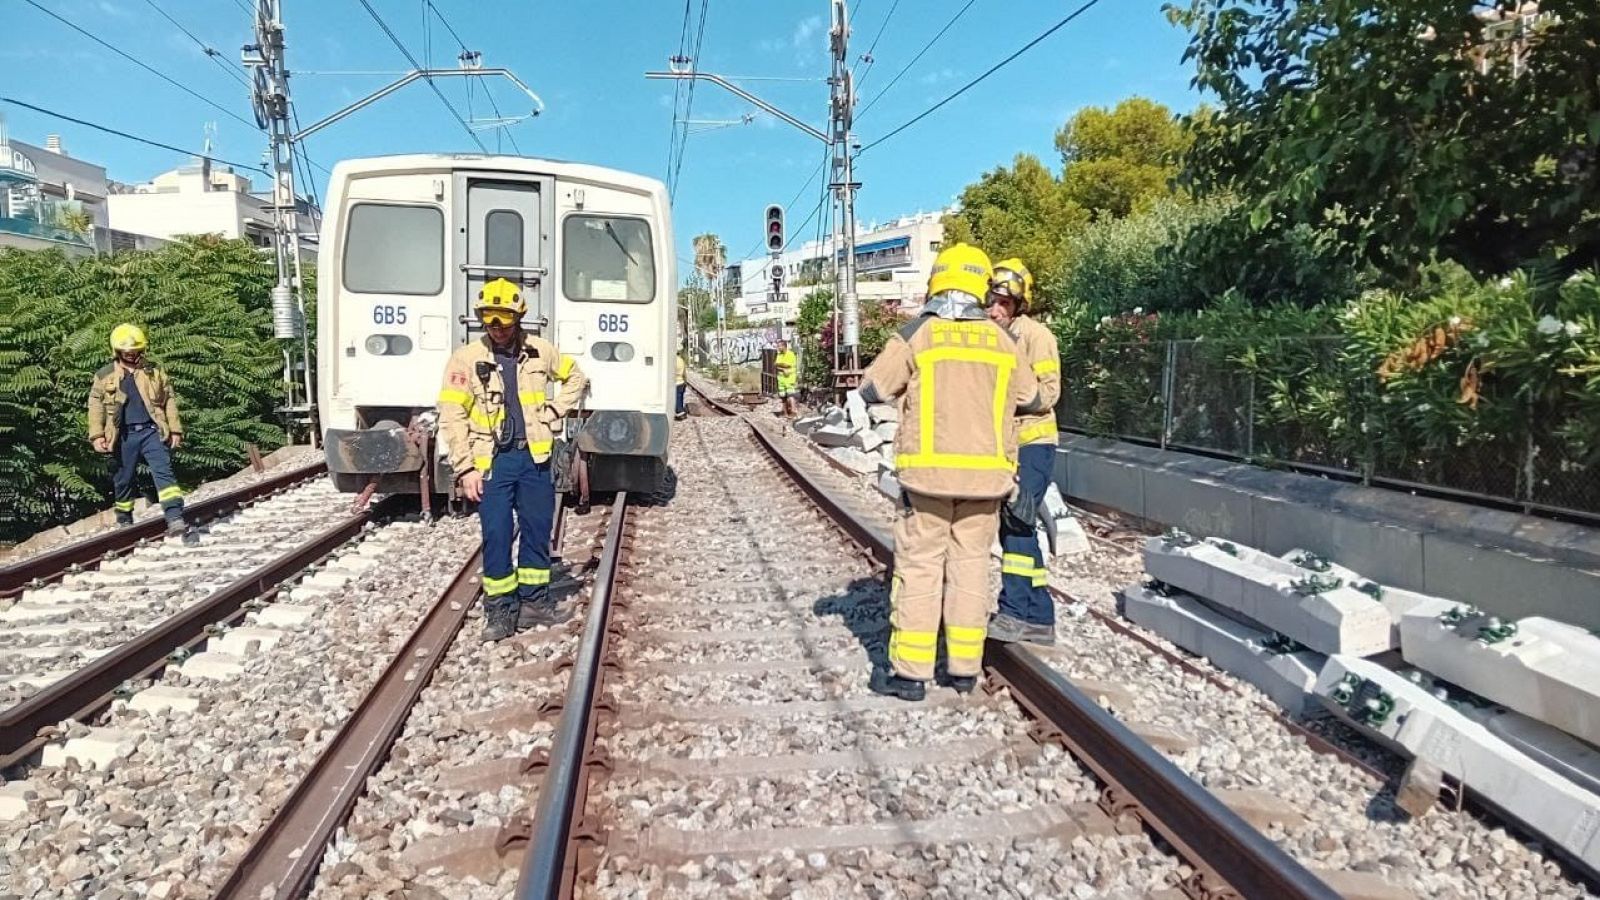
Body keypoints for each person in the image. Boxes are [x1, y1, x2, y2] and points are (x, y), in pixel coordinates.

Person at [857, 244, 1045, 701]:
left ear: (937, 282)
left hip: (929, 479)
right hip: (986, 481)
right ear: (980, 286)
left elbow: (872, 388)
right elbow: (1035, 398)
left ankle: (910, 674)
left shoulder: (919, 334)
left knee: (921, 568)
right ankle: (964, 668)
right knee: (971, 567)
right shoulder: (1004, 340)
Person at [437, 278, 589, 641]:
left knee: (537, 529)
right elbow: (451, 414)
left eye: (504, 322)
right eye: (490, 322)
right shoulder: (466, 360)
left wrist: (554, 411)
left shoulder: (540, 352)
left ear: (518, 319)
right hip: (491, 463)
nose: (498, 329)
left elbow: (576, 377)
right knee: (496, 533)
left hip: (534, 457)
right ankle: (500, 610)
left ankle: (534, 602)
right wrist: (465, 467)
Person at [984, 259, 1063, 645]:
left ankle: (1015, 612)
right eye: (992, 301)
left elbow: (1049, 393)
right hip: (1007, 444)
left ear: (1019, 306)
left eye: (1005, 304)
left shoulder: (1036, 336)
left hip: (1034, 441)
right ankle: (1040, 615)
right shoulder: (991, 336)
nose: (996, 310)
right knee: (1018, 525)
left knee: (1017, 521)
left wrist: (1010, 399)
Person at [88, 323, 187, 537]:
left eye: (136, 351)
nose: (133, 355)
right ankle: (124, 519)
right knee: (123, 479)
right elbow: (95, 405)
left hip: (152, 431)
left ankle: (175, 517)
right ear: (117, 352)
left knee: (164, 473)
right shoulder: (104, 375)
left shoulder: (154, 371)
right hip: (122, 435)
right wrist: (96, 435)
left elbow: (169, 398)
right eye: (128, 352)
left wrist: (175, 430)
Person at [774, 338, 798, 417]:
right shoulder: (779, 354)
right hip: (781, 378)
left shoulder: (790, 354)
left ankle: (793, 411)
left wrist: (780, 365)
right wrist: (781, 366)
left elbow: (787, 365)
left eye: (779, 346)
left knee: (790, 394)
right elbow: (776, 364)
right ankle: (785, 412)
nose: (778, 348)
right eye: (778, 346)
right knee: (783, 396)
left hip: (789, 378)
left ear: (784, 346)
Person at [675, 352, 688, 420]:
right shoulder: (681, 360)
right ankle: (681, 411)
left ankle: (679, 413)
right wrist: (685, 382)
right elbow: (684, 373)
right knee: (681, 398)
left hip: (675, 382)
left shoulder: (672, 360)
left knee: (676, 399)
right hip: (681, 381)